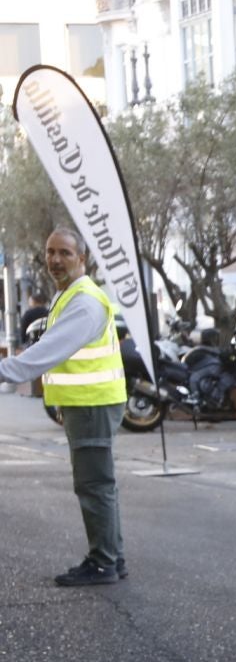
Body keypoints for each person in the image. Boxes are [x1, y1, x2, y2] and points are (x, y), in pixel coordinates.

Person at [0, 228, 128, 586]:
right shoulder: (71, 295)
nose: (55, 260)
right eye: (50, 252)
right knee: (100, 484)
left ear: (82, 258)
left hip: (92, 406)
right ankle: (112, 558)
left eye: (65, 253)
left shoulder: (85, 301)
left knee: (94, 485)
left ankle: (103, 563)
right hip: (86, 405)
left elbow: (45, 353)